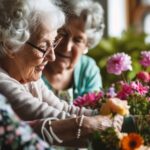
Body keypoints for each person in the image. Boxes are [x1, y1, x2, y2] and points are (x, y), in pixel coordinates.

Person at [0, 0, 123, 148]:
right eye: (43, 47)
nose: (52, 56)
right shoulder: (3, 82)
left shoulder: (29, 79)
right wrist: (103, 122)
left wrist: (122, 118)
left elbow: (64, 109)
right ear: (10, 45)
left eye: (53, 44)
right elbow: (43, 114)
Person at [43, 0, 104, 104]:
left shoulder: (88, 70)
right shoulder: (34, 64)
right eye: (62, 33)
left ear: (87, 45)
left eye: (78, 40)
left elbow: (93, 113)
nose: (67, 47)